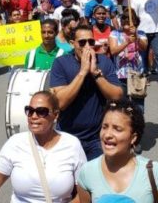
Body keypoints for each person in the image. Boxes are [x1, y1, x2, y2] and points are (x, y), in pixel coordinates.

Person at [0, 91, 87, 202]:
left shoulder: (72, 145)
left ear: (56, 115)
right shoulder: (15, 143)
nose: (33, 116)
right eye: (30, 111)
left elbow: (84, 195)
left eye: (41, 111)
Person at [77, 100, 158, 202]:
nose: (107, 135)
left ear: (133, 138)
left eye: (117, 129)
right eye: (104, 127)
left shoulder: (153, 172)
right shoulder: (87, 172)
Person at [50, 24, 123, 160]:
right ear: (72, 44)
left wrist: (96, 74)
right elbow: (60, 103)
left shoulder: (104, 62)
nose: (87, 46)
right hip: (67, 136)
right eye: (82, 42)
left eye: (91, 41)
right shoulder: (61, 63)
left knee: (96, 178)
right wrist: (83, 72)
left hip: (96, 137)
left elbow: (117, 96)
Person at [109, 9, 148, 115]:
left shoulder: (141, 33)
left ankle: (137, 127)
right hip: (120, 74)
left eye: (130, 18)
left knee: (138, 106)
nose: (127, 20)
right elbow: (113, 51)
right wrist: (126, 42)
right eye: (124, 18)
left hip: (137, 73)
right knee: (122, 106)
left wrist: (136, 37)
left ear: (135, 21)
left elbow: (144, 47)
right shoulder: (115, 33)